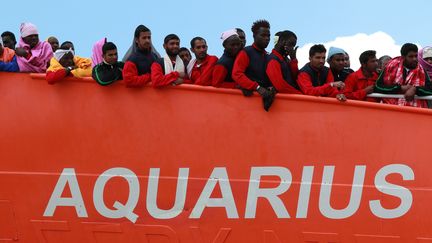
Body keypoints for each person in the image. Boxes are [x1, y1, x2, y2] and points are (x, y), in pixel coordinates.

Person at [232, 19, 276, 111]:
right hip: (248, 103)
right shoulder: (246, 52)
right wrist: (257, 87)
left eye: (268, 36)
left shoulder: (268, 55)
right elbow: (237, 74)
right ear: (254, 36)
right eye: (263, 35)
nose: (267, 38)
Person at [374, 43, 432, 108]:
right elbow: (378, 87)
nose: (414, 59)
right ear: (403, 57)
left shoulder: (421, 70)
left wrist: (415, 89)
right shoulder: (391, 66)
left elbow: (430, 89)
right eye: (411, 56)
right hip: (390, 109)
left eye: (416, 56)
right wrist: (399, 88)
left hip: (414, 111)